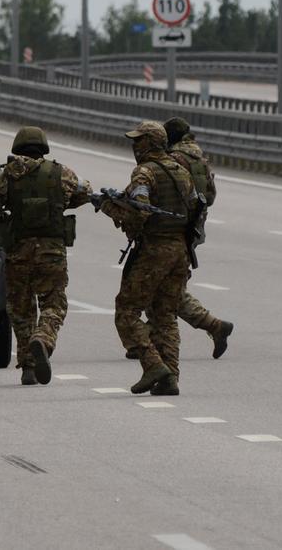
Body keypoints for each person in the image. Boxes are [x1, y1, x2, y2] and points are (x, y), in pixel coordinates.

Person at [0, 126, 91, 386]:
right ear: (43, 148)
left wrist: (6, 218)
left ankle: (28, 367)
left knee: (21, 310)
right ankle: (43, 338)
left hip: (18, 254)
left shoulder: (7, 176)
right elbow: (85, 192)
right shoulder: (60, 172)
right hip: (52, 254)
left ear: (17, 148)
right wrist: (60, 201)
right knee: (54, 304)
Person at [97, 121, 197, 396]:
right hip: (179, 250)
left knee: (126, 311)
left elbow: (139, 212)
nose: (134, 146)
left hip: (154, 250)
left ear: (151, 143)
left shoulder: (145, 172)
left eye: (138, 141)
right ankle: (170, 378)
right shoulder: (182, 171)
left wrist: (108, 207)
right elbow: (194, 209)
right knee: (165, 314)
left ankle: (153, 365)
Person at [164, 117, 233, 359]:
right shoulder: (198, 157)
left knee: (167, 286)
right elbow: (210, 196)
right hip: (192, 227)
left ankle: (213, 326)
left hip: (173, 227)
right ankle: (151, 335)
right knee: (167, 284)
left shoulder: (174, 158)